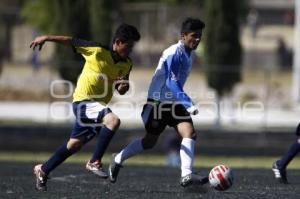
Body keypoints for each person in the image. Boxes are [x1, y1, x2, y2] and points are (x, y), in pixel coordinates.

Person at [31, 23, 140, 191]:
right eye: (128, 46)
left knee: (74, 145)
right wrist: (46, 37)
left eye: (132, 47)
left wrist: (122, 86)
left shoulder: (127, 63)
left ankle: (43, 170)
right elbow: (70, 41)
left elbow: (122, 87)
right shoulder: (96, 50)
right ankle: (94, 161)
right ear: (117, 42)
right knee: (113, 121)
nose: (130, 50)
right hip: (84, 101)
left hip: (97, 107)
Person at [108, 18, 208, 188]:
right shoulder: (173, 52)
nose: (197, 40)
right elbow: (170, 82)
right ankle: (117, 159)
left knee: (189, 134)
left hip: (174, 103)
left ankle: (186, 175)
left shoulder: (188, 55)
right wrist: (188, 103)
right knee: (149, 142)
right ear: (183, 35)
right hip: (157, 103)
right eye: (194, 36)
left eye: (199, 36)